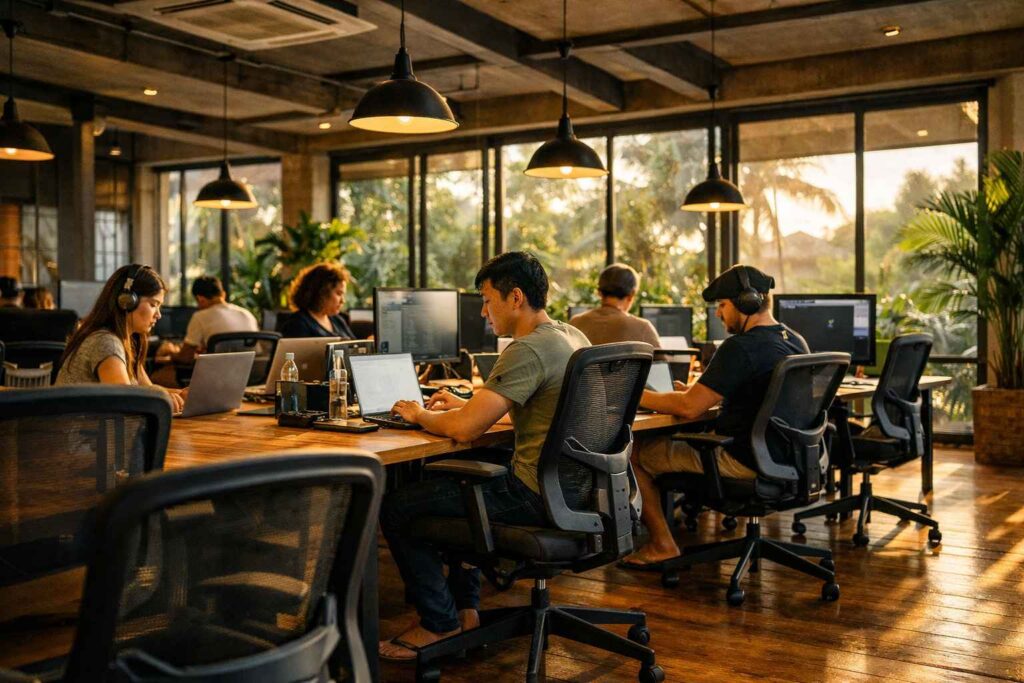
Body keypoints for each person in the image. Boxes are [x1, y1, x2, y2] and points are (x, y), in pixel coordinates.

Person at [378, 252, 591, 661]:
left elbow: (464, 430)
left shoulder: (526, 350)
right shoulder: (571, 336)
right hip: (577, 489)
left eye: (487, 299)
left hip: (534, 495)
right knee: (457, 488)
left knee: (398, 506)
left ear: (515, 298)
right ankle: (467, 612)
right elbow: (528, 404)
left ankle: (438, 624)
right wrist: (466, 402)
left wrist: (418, 413)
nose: (482, 310)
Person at [620, 265, 809, 569]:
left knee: (634, 453)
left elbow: (688, 409)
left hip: (743, 460)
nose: (718, 314)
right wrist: (694, 392)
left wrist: (633, 394)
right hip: (787, 457)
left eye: (722, 305)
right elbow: (730, 394)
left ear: (746, 302)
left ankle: (662, 545)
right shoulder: (795, 341)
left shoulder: (741, 347)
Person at [56, 264, 186, 413]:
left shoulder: (127, 342)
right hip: (78, 434)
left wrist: (181, 394)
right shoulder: (105, 341)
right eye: (153, 304)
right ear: (127, 301)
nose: (158, 314)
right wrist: (166, 397)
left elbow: (148, 389)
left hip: (94, 431)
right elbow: (126, 400)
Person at [163, 275, 258, 365]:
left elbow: (185, 358)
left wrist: (170, 352)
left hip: (218, 378)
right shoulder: (247, 314)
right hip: (253, 377)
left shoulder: (200, 316)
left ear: (200, 299)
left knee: (158, 376)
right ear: (223, 294)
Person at [569, 263, 660, 347]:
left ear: (599, 292)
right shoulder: (642, 328)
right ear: (631, 295)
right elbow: (663, 364)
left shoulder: (575, 324)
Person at [280, 263, 355, 339]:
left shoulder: (338, 320)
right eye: (339, 294)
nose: (343, 301)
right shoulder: (297, 323)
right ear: (321, 292)